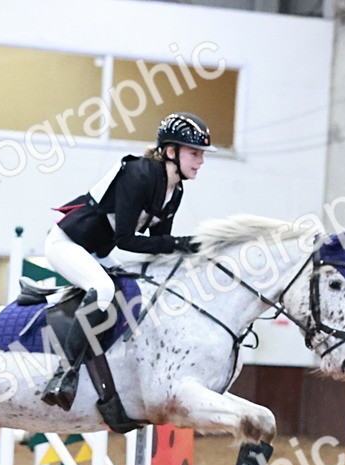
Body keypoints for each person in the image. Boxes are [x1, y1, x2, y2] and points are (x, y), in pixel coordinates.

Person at [41, 112, 216, 409]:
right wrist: (180, 243)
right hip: (68, 243)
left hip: (97, 250)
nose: (200, 161)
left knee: (137, 286)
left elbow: (157, 246)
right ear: (171, 152)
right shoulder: (139, 174)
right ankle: (65, 373)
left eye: (201, 155)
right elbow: (126, 239)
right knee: (104, 289)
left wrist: (191, 254)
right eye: (194, 153)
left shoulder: (175, 191)